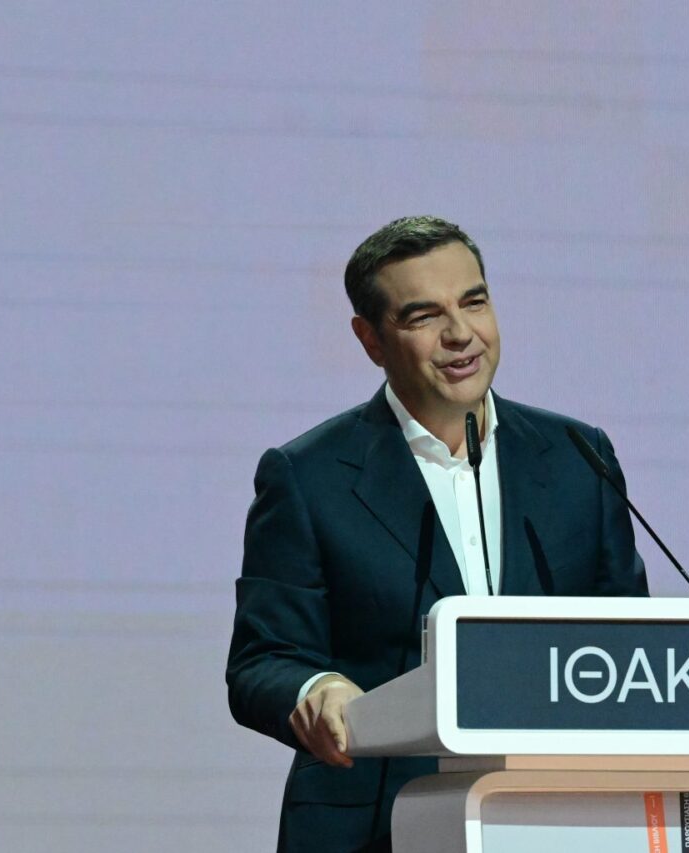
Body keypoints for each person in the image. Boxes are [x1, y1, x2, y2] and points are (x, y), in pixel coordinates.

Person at [226, 215, 648, 853]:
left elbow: (634, 647)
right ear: (371, 339)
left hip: (555, 815)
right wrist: (317, 690)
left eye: (473, 302)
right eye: (424, 316)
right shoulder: (309, 476)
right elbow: (261, 661)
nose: (460, 334)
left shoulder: (576, 455)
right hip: (375, 825)